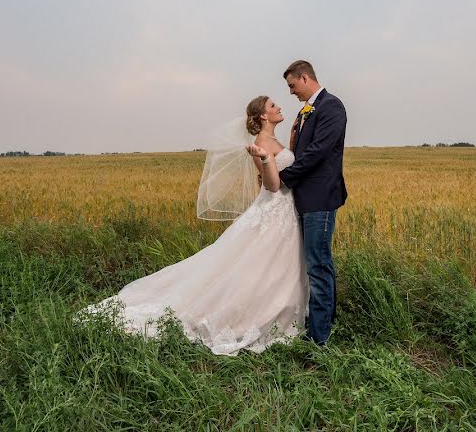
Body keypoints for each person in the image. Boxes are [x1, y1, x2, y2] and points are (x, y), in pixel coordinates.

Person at [77, 96, 309, 356]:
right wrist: (265, 160)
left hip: (285, 210)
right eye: (273, 106)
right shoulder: (261, 144)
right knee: (258, 266)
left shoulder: (278, 139)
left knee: (275, 267)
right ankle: (248, 317)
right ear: (264, 116)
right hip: (274, 208)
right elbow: (272, 185)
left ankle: (279, 313)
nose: (279, 107)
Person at [277, 60, 348, 346]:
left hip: (320, 197)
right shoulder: (304, 112)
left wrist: (284, 177)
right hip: (305, 199)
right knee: (315, 265)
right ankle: (324, 324)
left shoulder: (332, 106)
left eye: (292, 85)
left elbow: (318, 152)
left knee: (318, 266)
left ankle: (320, 339)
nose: (291, 92)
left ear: (305, 78)